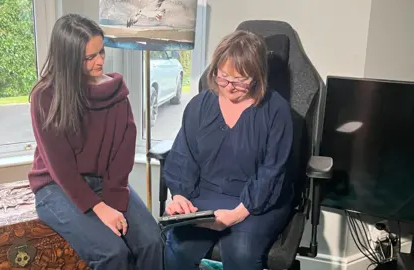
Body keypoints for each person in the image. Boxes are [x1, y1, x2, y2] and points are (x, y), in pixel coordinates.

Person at [27, 14, 163, 270]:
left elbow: (122, 156)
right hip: (57, 187)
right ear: (68, 59)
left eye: (101, 52)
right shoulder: (45, 97)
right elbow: (62, 168)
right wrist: (100, 209)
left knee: (152, 242)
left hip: (106, 183)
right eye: (89, 57)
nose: (100, 60)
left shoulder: (116, 93)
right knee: (112, 253)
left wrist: (113, 202)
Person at [163, 30, 295, 270]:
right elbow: (184, 156)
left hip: (258, 201)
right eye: (223, 77)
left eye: (240, 80)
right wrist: (180, 196)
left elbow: (272, 172)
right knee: (178, 247)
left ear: (257, 76)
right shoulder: (200, 105)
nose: (229, 87)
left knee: (241, 253)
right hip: (206, 192)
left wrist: (236, 214)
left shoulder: (277, 112)